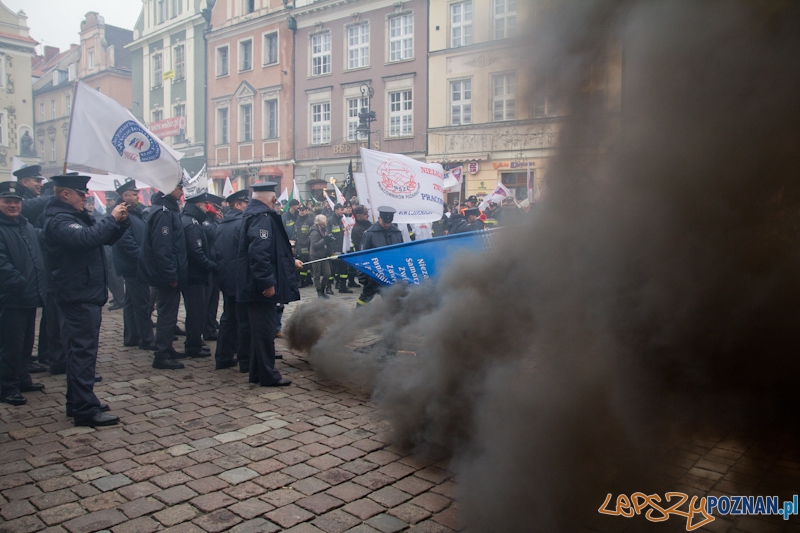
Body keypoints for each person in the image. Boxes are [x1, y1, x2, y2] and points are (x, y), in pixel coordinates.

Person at [42, 173, 130, 426]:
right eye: (81, 194)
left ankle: (78, 400)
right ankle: (84, 408)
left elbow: (102, 238)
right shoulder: (59, 220)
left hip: (83, 291)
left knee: (80, 351)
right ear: (65, 194)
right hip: (77, 293)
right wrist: (111, 219)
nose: (85, 197)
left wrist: (119, 223)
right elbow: (86, 239)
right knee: (82, 352)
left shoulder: (72, 216)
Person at [236, 182, 302, 386]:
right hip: (259, 288)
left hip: (253, 285)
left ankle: (257, 372)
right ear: (272, 200)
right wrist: (267, 282)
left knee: (259, 332)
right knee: (265, 333)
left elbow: (271, 250)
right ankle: (268, 375)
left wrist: (290, 262)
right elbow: (259, 253)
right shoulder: (262, 218)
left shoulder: (255, 215)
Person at [0, 182, 46, 406]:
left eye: (16, 202)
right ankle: (7, 387)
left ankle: (22, 378)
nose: (13, 205)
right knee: (10, 345)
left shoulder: (25, 225)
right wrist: (19, 282)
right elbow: (2, 265)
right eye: (7, 201)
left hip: (28, 295)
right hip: (11, 297)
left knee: (26, 342)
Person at [138, 184, 187, 370]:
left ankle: (167, 348)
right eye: (178, 187)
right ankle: (162, 354)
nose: (181, 191)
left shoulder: (166, 210)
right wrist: (170, 274)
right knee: (166, 314)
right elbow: (162, 248)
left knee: (169, 313)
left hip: (168, 272)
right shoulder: (163, 213)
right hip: (165, 275)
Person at [112, 181, 154, 350]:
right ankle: (147, 339)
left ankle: (131, 336)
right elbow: (126, 241)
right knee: (142, 303)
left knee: (130, 302)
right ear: (125, 196)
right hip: (133, 265)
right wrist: (142, 258)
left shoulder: (135, 213)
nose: (138, 197)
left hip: (134, 263)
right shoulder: (123, 213)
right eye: (134, 194)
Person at [213, 189, 250, 372]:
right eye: (245, 204)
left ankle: (223, 357)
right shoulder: (242, 224)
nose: (247, 207)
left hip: (226, 277)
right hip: (240, 278)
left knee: (228, 318)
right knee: (243, 320)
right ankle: (245, 359)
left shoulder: (222, 224)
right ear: (237, 205)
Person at [181, 192, 216, 358]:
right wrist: (210, 265)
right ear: (197, 205)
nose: (205, 208)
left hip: (191, 274)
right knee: (196, 312)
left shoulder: (188, 219)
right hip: (194, 275)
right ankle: (193, 345)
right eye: (203, 205)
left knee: (195, 310)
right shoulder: (192, 224)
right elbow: (196, 252)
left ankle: (194, 341)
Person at [356, 206, 404, 307]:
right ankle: (357, 314)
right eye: (384, 222)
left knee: (391, 300)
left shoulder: (397, 233)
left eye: (389, 223)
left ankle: (389, 316)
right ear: (379, 218)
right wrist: (362, 275)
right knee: (365, 298)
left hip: (390, 274)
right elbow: (362, 255)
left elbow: (401, 254)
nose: (386, 225)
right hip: (373, 275)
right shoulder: (369, 234)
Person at [203, 194, 224, 342]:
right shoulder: (204, 219)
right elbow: (214, 232)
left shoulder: (212, 219)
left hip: (215, 263)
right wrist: (218, 220)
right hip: (207, 265)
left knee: (214, 300)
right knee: (207, 301)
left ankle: (211, 325)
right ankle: (206, 329)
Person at [328, 203, 352, 293]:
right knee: (332, 269)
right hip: (334, 249)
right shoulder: (330, 221)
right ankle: (328, 287)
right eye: (341, 210)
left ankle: (342, 287)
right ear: (336, 210)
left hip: (343, 249)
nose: (343, 211)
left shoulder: (342, 220)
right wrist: (332, 249)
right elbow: (328, 235)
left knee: (343, 269)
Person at [309, 214, 332, 299]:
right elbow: (315, 245)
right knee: (317, 274)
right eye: (325, 220)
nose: (326, 222)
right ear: (321, 222)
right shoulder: (314, 232)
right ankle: (319, 292)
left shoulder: (324, 229)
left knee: (327, 273)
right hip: (315, 255)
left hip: (324, 254)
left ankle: (322, 289)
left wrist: (329, 240)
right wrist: (325, 239)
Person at [294, 204, 313, 287]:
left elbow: (312, 234)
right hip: (298, 245)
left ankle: (302, 281)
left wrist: (307, 242)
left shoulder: (310, 221)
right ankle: (308, 279)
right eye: (300, 210)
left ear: (307, 211)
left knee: (304, 262)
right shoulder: (297, 220)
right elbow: (295, 233)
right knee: (300, 261)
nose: (301, 212)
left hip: (306, 245)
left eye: (303, 210)